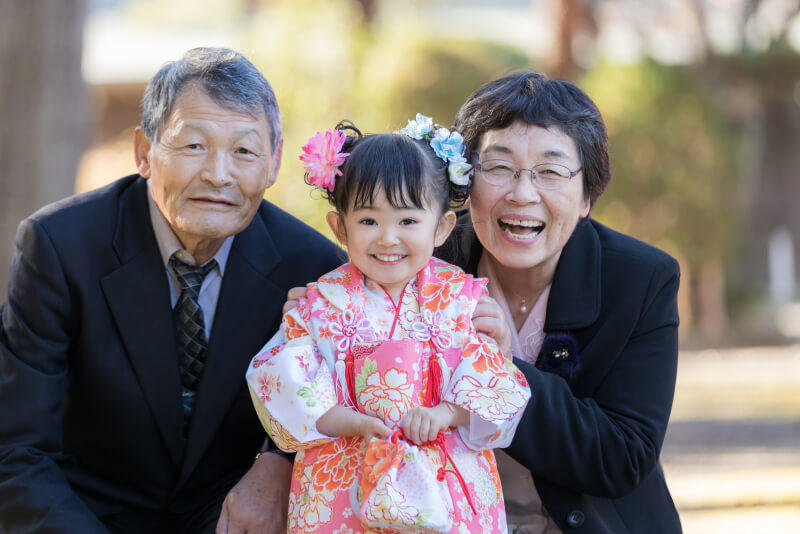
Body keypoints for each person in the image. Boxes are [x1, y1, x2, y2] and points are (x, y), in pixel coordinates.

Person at [0, 47, 341, 533]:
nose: (218, 174)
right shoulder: (58, 248)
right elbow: (18, 449)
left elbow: (332, 416)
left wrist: (279, 460)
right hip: (84, 514)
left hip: (224, 518)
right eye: (194, 146)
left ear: (274, 161)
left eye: (244, 151)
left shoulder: (312, 266)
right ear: (144, 152)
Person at [246, 119, 531, 533]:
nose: (387, 238)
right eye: (368, 221)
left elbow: (494, 381)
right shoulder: (318, 303)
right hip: (345, 474)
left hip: (443, 478)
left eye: (408, 221)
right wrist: (351, 421)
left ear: (442, 227)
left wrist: (446, 413)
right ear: (339, 228)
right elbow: (285, 382)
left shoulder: (463, 299)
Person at [432, 72, 682, 533]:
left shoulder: (641, 280)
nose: (523, 194)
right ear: (466, 181)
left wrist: (502, 372)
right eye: (499, 167)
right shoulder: (420, 265)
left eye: (550, 171)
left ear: (587, 195)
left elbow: (623, 455)